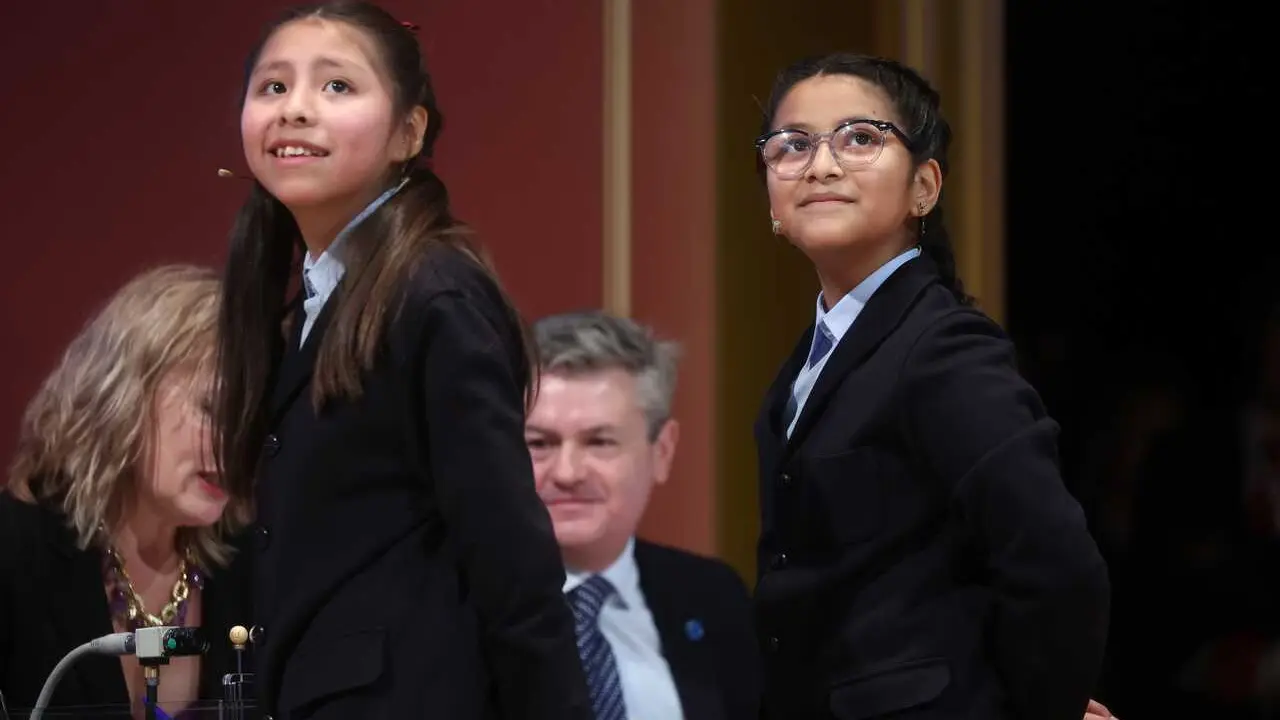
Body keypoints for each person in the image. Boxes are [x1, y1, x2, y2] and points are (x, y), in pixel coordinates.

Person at [211, 3, 589, 719]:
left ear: (409, 132)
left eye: (337, 87)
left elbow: (510, 556)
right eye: (273, 87)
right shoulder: (311, 294)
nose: (295, 110)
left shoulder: (432, 294)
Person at [751, 53, 1111, 719]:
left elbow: (1055, 561)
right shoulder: (815, 354)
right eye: (792, 145)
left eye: (860, 138)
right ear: (772, 199)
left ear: (924, 186)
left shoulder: (943, 348)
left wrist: (1042, 709)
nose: (821, 165)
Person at [0, 265, 253, 719]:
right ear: (122, 394)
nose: (235, 448)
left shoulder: (253, 565)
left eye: (251, 422)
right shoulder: (14, 554)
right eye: (212, 408)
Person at [526, 311, 761, 720]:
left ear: (662, 452)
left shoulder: (713, 597)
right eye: (539, 443)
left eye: (599, 442)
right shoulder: (448, 604)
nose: (566, 472)